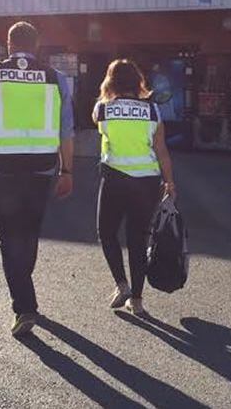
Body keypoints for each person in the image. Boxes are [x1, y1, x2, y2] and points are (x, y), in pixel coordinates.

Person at [0, 21, 74, 337]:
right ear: (36, 46)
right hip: (42, 169)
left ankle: (25, 306)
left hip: (3, 169)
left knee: (9, 237)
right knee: (29, 232)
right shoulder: (56, 79)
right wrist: (68, 171)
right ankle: (24, 292)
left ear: (9, 45)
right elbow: (66, 131)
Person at [93, 59, 176, 316]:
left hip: (115, 179)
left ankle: (121, 284)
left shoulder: (102, 109)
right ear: (137, 81)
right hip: (147, 182)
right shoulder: (152, 111)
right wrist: (169, 182)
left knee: (106, 232)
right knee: (137, 239)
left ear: (111, 81)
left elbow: (98, 123)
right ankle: (137, 300)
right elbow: (161, 150)